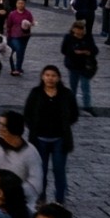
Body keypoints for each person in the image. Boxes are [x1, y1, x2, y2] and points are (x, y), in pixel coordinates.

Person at [23, 65, 78, 205]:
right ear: (42, 76)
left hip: (60, 139)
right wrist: (34, 127)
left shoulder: (66, 94)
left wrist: (64, 125)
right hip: (39, 139)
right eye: (47, 75)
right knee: (41, 171)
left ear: (58, 77)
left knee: (59, 170)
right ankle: (41, 198)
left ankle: (60, 199)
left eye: (53, 75)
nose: (50, 78)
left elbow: (74, 114)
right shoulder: (36, 93)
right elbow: (28, 113)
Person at [0, 111, 44, 208]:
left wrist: (8, 190)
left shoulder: (30, 153)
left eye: (2, 125)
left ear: (12, 129)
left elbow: (35, 185)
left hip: (19, 201)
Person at [60, 20, 98, 115]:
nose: (80, 31)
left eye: (82, 29)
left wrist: (87, 52)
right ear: (73, 29)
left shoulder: (88, 37)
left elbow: (95, 50)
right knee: (73, 87)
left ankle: (87, 106)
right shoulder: (68, 38)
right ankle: (73, 106)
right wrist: (74, 52)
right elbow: (63, 50)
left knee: (86, 87)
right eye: (78, 29)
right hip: (73, 66)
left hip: (85, 67)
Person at [5, 0, 35, 76]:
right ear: (16, 4)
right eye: (19, 3)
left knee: (21, 52)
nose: (20, 5)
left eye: (22, 3)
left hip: (25, 36)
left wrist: (28, 24)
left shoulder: (28, 13)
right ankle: (15, 68)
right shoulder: (12, 14)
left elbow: (31, 22)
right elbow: (8, 25)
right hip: (14, 35)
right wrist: (8, 35)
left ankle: (18, 67)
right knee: (17, 50)